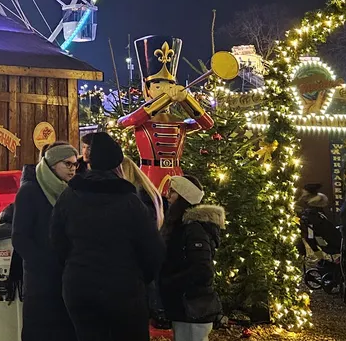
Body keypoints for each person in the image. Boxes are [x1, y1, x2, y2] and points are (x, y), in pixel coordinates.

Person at [51, 131, 165, 341]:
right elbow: (153, 250)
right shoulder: (131, 202)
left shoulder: (69, 196)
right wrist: (139, 278)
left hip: (79, 288)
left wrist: (73, 268)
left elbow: (57, 242)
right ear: (117, 165)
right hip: (124, 290)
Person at [13, 142, 80, 341]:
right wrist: (44, 263)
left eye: (75, 165)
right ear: (52, 164)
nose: (73, 169)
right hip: (40, 281)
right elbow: (20, 237)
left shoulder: (71, 192)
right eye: (67, 164)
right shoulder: (30, 191)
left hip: (67, 277)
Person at [159, 175, 225, 341]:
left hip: (193, 307)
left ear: (184, 197)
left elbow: (203, 270)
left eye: (172, 192)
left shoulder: (194, 229)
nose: (168, 196)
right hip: (184, 306)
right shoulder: (182, 226)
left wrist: (170, 282)